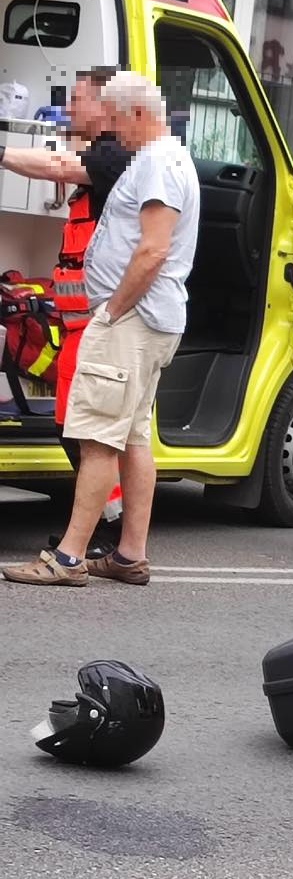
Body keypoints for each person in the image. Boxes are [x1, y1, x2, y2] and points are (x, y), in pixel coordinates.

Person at [3, 70, 200, 588]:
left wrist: (112, 310)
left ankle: (67, 558)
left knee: (97, 439)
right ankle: (129, 553)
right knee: (132, 437)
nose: (114, 133)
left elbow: (153, 249)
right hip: (149, 321)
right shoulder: (170, 158)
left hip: (131, 321)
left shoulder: (156, 163)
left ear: (137, 113)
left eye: (117, 120)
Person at [0, 67, 130, 557]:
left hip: (97, 324)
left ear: (106, 105)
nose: (70, 105)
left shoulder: (113, 156)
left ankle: (106, 530)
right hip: (76, 323)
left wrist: (3, 154)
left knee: (88, 429)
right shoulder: (99, 156)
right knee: (70, 425)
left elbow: (57, 167)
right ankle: (100, 526)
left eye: (77, 98)